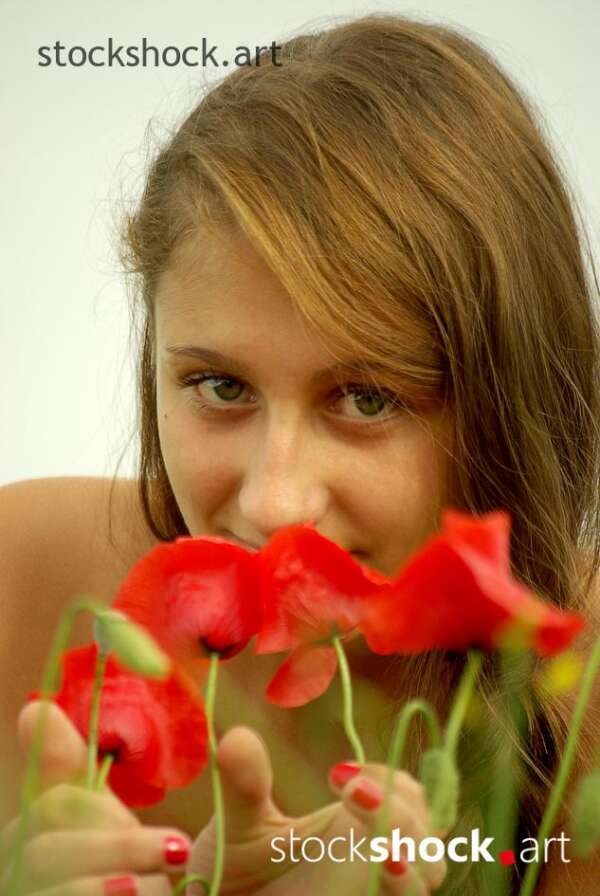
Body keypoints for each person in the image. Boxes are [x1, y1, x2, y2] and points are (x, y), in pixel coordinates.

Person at [1, 10, 600, 895]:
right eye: (220, 387)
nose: (274, 502)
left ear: (511, 402)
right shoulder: (21, 574)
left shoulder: (578, 691)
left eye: (367, 399)